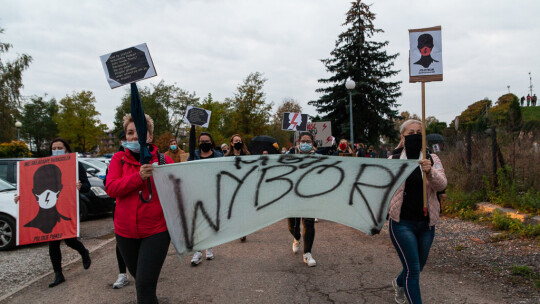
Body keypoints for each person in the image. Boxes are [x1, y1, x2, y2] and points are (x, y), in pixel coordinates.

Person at [105, 113, 173, 304]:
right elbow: (111, 188)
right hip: (125, 234)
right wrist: (138, 177)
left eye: (140, 132)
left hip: (156, 231)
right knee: (143, 283)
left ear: (150, 136)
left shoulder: (163, 160)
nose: (134, 137)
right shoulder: (119, 159)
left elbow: (177, 191)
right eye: (130, 132)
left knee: (144, 286)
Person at [15, 138, 92, 288]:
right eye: (54, 148)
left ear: (67, 150)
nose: (56, 151)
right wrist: (21, 197)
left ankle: (83, 252)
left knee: (70, 240)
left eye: (59, 148)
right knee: (53, 242)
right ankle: (58, 273)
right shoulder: (45, 167)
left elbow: (87, 186)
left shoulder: (76, 165)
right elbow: (30, 186)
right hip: (46, 214)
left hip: (66, 209)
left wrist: (80, 186)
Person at [388, 119, 447, 304]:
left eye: (419, 133)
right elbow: (384, 188)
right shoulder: (394, 160)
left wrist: (430, 172)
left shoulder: (432, 159)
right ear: (403, 137)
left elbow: (442, 185)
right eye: (411, 133)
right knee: (413, 269)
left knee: (418, 265)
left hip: (426, 223)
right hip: (402, 223)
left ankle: (399, 283)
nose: (415, 135)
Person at [188, 132, 223, 265]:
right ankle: (197, 252)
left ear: (211, 142)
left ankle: (209, 247)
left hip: (213, 193)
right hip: (196, 192)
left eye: (206, 141)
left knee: (210, 221)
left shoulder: (219, 155)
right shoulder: (193, 155)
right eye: (201, 141)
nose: (204, 143)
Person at [103, 131, 130, 289]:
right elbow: (110, 186)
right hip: (119, 207)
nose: (128, 141)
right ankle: (122, 273)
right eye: (125, 139)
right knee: (120, 241)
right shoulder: (116, 160)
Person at [287, 132, 318, 267]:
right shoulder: (290, 155)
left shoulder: (318, 158)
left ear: (312, 143)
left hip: (310, 195)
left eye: (308, 141)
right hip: (292, 195)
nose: (305, 144)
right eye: (303, 141)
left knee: (309, 223)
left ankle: (307, 254)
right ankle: (297, 237)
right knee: (291, 226)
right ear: (299, 142)